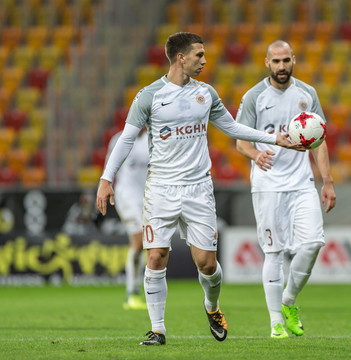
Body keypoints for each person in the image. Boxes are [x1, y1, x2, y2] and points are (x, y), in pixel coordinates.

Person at [96, 32, 305, 346]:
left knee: (207, 264)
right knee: (155, 257)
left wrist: (273, 138)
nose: (205, 61)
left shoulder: (206, 94)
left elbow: (232, 127)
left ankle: (212, 306)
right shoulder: (149, 96)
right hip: (161, 189)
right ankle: (158, 329)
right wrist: (106, 178)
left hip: (198, 189)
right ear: (181, 57)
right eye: (199, 55)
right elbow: (126, 138)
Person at [236, 40, 337, 339]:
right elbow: (240, 140)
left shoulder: (307, 94)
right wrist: (256, 155)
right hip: (267, 185)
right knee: (274, 252)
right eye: (276, 61)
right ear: (266, 62)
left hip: (302, 183)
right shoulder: (254, 96)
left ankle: (288, 300)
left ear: (294, 59)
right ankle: (275, 322)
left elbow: (318, 139)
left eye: (286, 61)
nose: (281, 67)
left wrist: (327, 181)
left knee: (313, 243)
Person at [107, 128, 149, 310]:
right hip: (127, 197)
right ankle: (132, 293)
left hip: (148, 196)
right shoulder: (120, 139)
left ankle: (141, 289)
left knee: (148, 243)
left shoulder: (153, 138)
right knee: (139, 240)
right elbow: (109, 167)